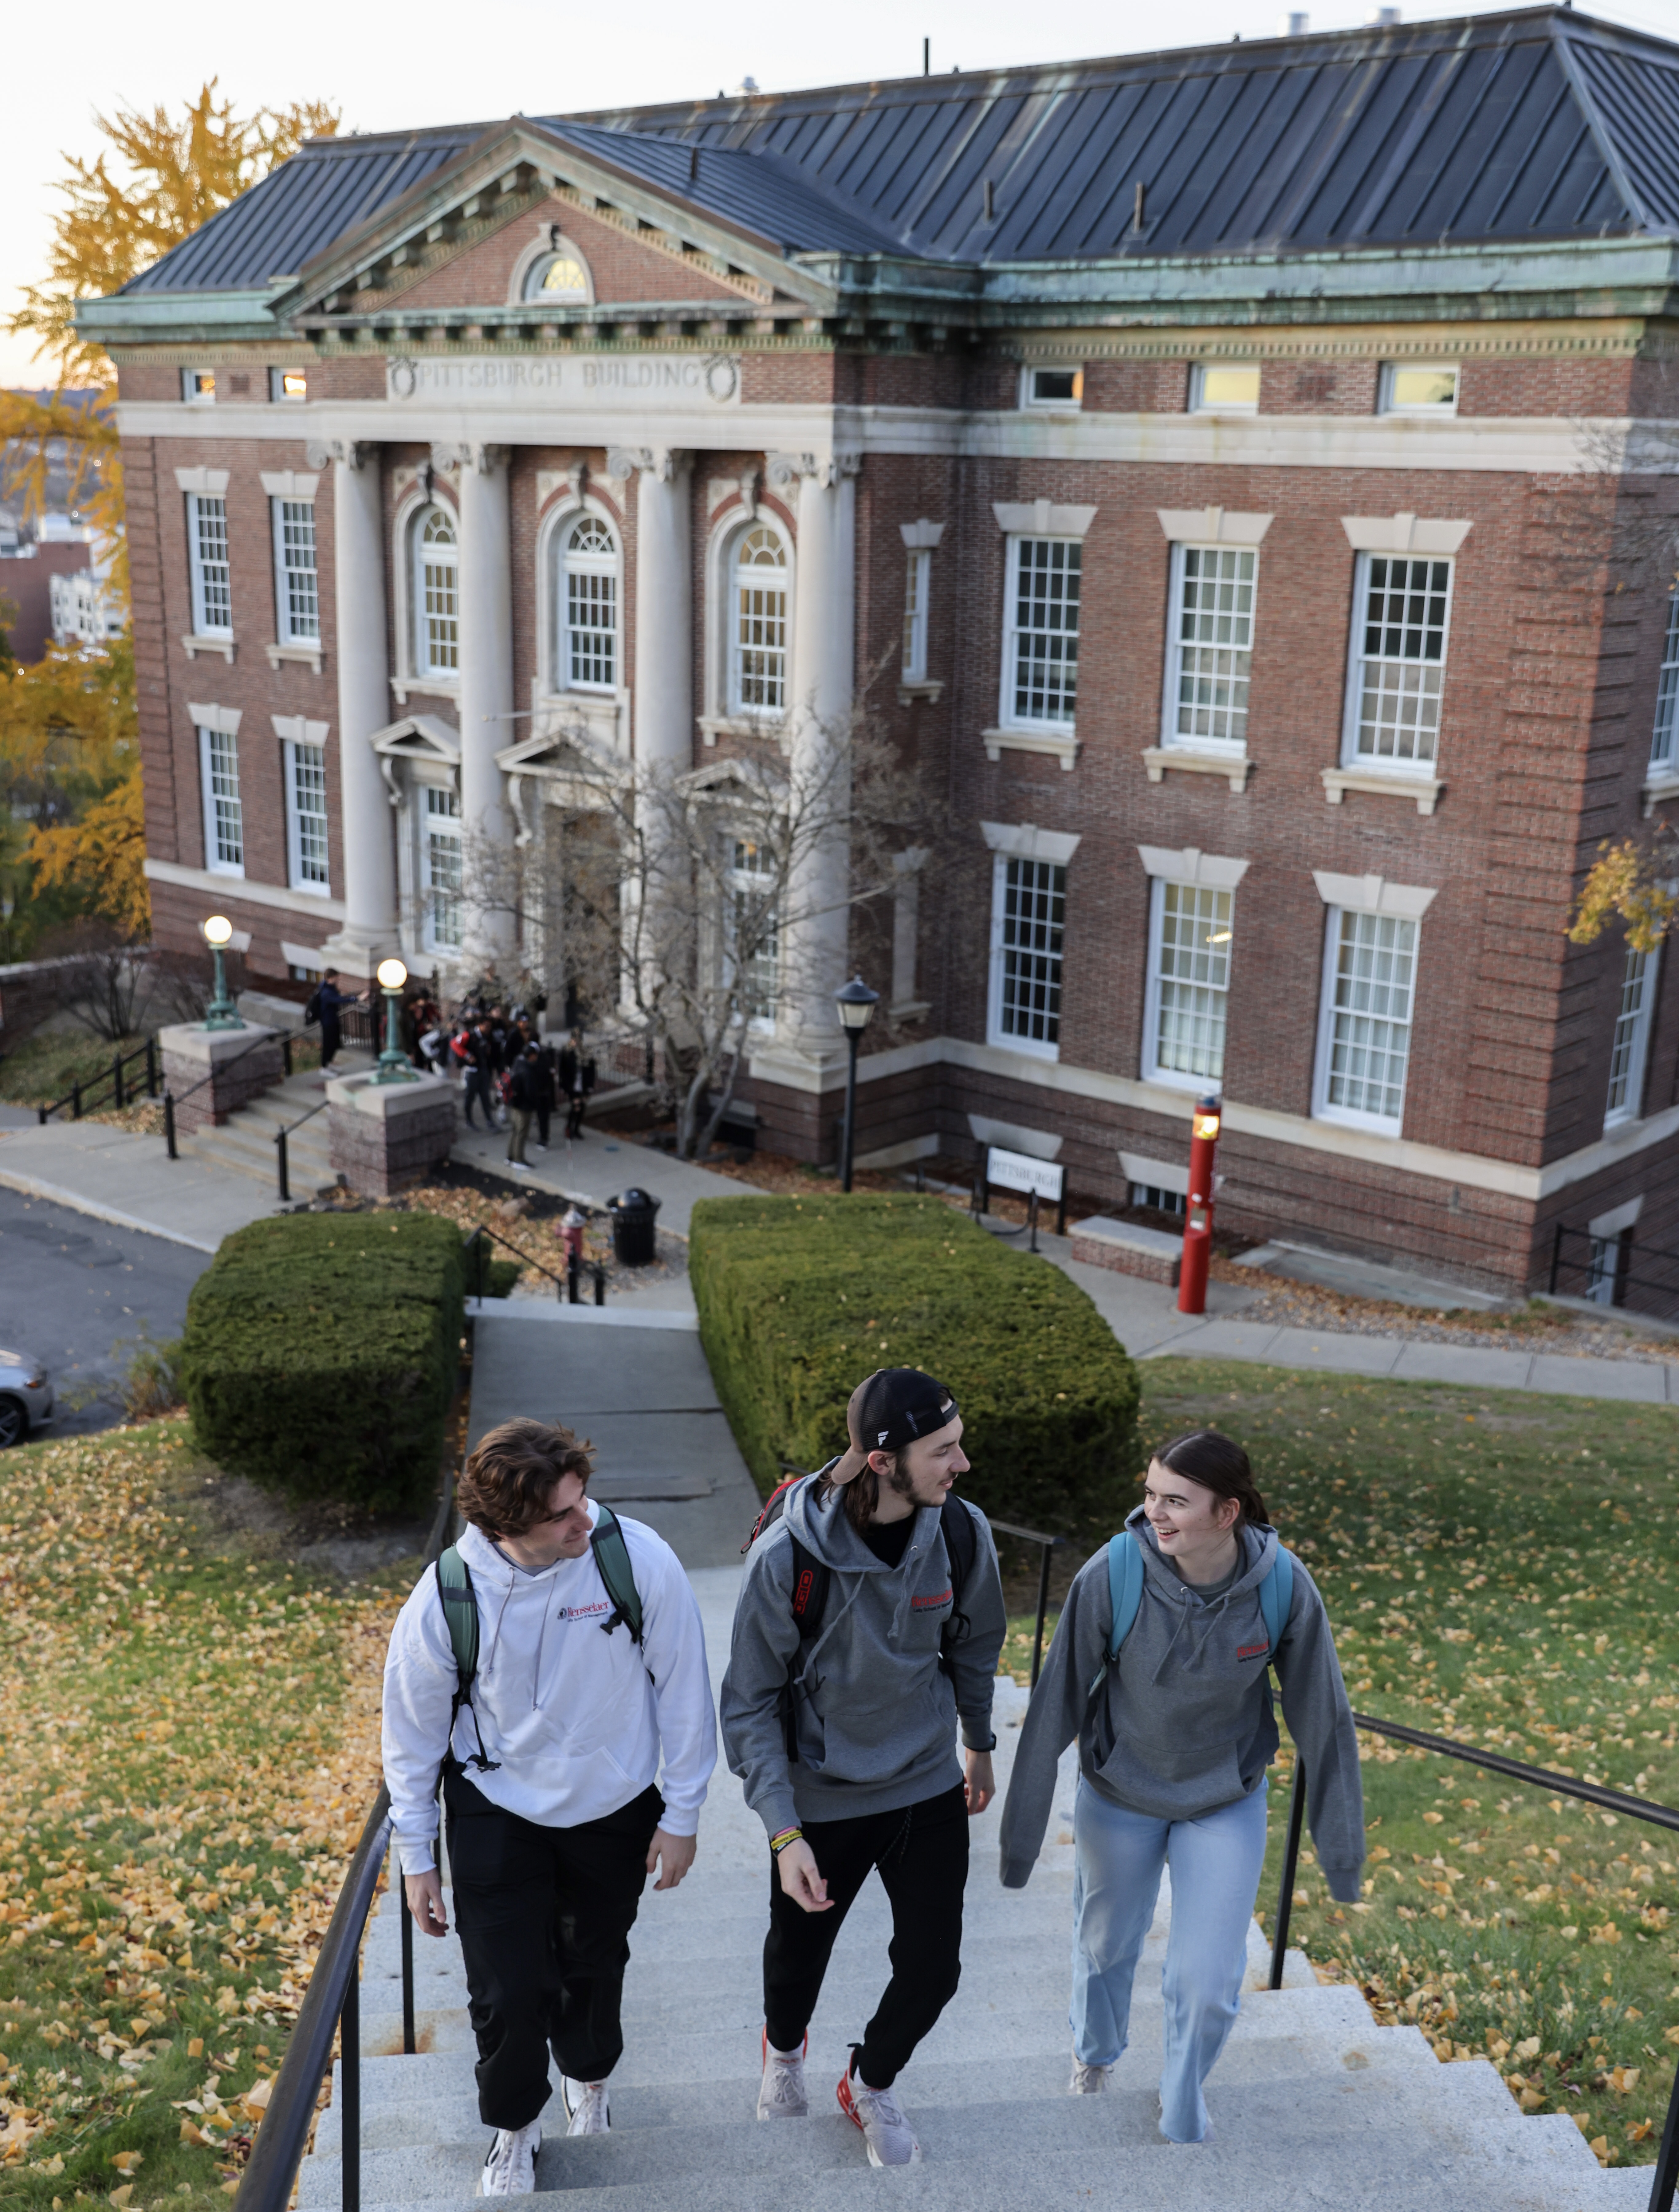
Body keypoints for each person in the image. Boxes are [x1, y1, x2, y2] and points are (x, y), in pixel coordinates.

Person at [997, 1429, 1364, 2144]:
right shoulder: (1115, 1573)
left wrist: (1341, 1854)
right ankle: (1094, 2057)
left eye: (1175, 1500)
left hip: (1222, 1800)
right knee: (1105, 1946)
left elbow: (1324, 1718)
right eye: (1149, 1494)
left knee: (1207, 1983)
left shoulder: (1282, 1585)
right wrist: (1020, 1840)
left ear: (1226, 1513)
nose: (1154, 1513)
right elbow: (1055, 1705)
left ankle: (1180, 2098)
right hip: (1119, 1793)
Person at [383, 1418, 717, 2194]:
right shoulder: (446, 1596)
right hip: (495, 1803)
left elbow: (686, 1691)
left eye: (583, 1498)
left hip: (614, 1806)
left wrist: (684, 1814)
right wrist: (418, 1859)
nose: (585, 1519)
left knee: (591, 1966)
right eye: (562, 1515)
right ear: (503, 1527)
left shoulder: (633, 1556)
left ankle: (588, 2080)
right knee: (503, 1987)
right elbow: (408, 1735)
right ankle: (512, 2126)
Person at [721, 1368, 1006, 2169]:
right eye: (944, 1449)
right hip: (821, 1793)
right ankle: (783, 2050)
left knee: (934, 1968)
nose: (964, 1463)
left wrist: (977, 1741)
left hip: (922, 1780)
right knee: (796, 1958)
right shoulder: (787, 1559)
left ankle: (870, 2080)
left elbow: (976, 1642)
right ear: (882, 1462)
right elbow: (746, 1703)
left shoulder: (959, 1530)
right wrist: (784, 1833)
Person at [313, 968, 360, 1071]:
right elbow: (338, 1000)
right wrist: (356, 999)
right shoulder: (326, 992)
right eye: (336, 978)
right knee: (328, 1044)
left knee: (334, 1043)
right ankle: (325, 1066)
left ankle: (329, 1063)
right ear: (330, 979)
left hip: (333, 1020)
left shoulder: (330, 989)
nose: (338, 980)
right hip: (328, 1022)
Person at [506, 1044, 540, 1171]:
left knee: (515, 1131)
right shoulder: (528, 1071)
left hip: (515, 1104)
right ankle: (518, 1159)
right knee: (522, 1133)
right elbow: (531, 1092)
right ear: (532, 1056)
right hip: (524, 1107)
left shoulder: (518, 1064)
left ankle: (510, 1156)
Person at [558, 1028, 596, 1140]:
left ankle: (576, 1129)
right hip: (572, 1087)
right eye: (574, 1040)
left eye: (578, 1040)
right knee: (575, 1107)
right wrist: (565, 1088)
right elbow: (563, 1072)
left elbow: (591, 1072)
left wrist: (589, 1089)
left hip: (583, 1085)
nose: (576, 1043)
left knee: (582, 1109)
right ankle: (570, 1128)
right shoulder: (567, 1053)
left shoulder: (586, 1053)